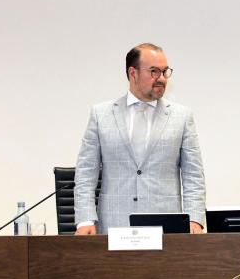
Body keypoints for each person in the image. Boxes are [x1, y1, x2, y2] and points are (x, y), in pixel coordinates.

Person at [74, 43, 206, 234]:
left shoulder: (182, 117)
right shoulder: (100, 115)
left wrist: (195, 219)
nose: (161, 78)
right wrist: (85, 219)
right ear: (132, 73)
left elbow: (193, 174)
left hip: (166, 229)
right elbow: (86, 172)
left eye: (164, 71)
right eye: (154, 71)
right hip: (114, 226)